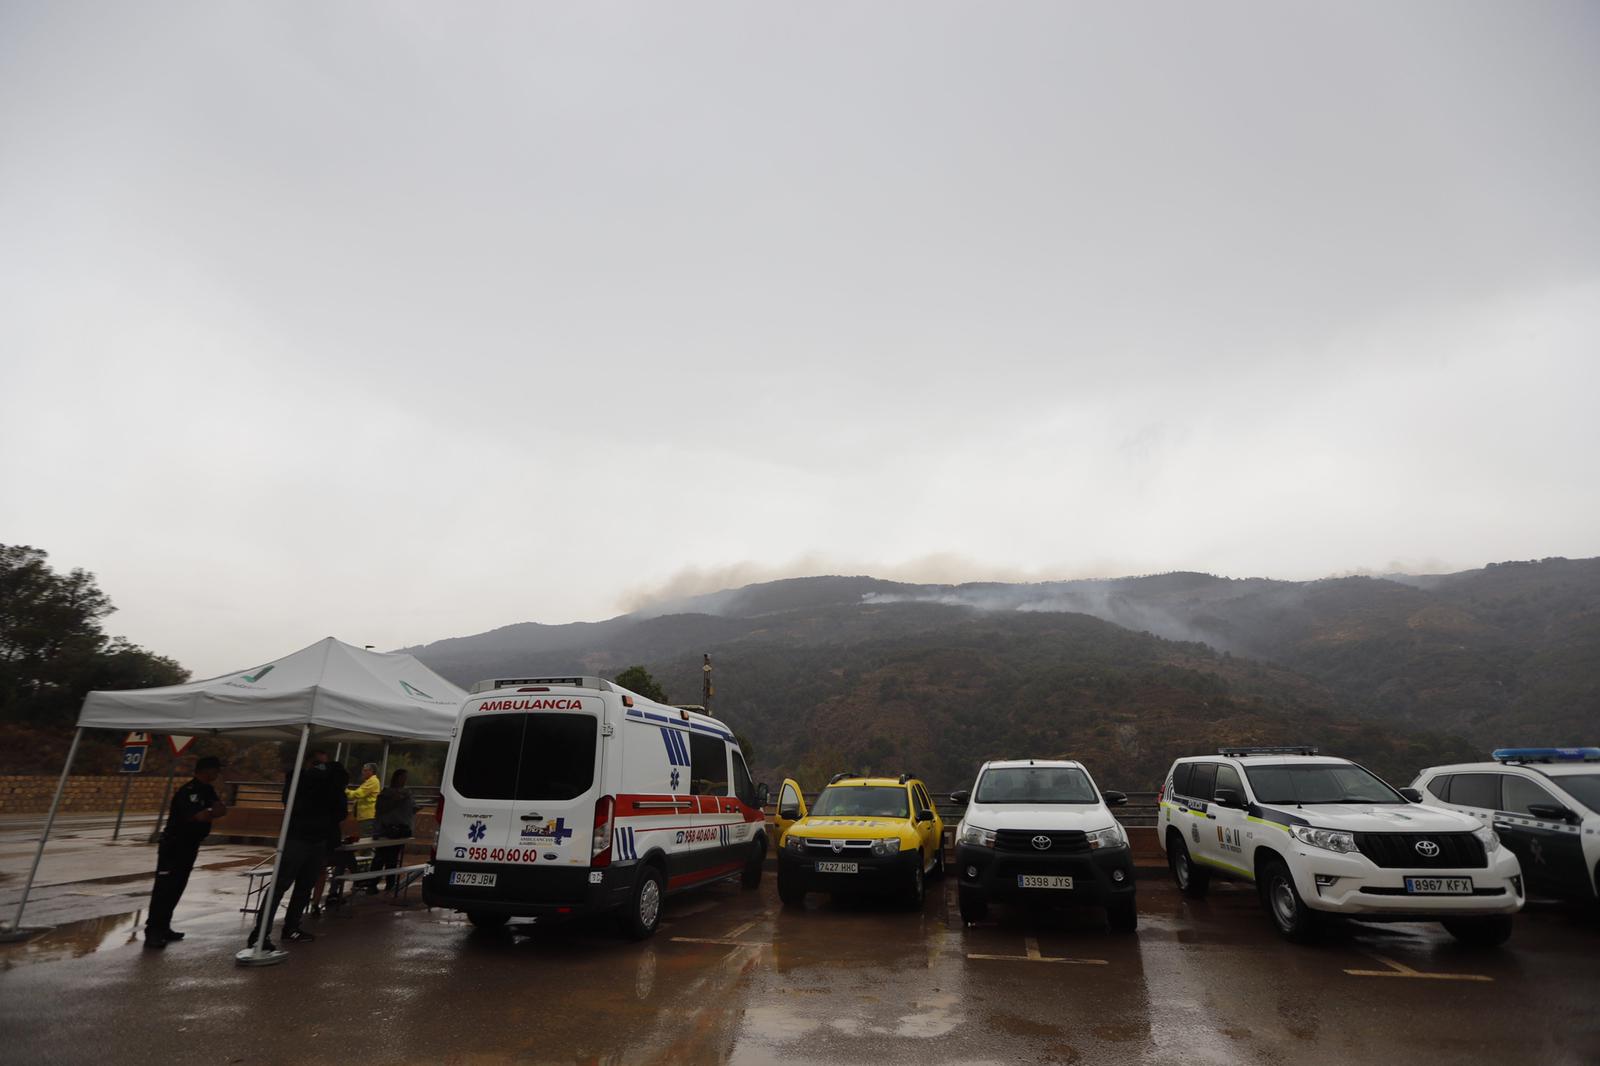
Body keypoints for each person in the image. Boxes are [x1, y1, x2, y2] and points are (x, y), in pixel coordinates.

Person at [250, 750, 333, 949]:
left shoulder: (325, 783)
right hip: (297, 839)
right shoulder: (296, 778)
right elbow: (291, 803)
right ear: (306, 762)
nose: (320, 768)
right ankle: (260, 934)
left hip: (317, 839)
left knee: (305, 887)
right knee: (280, 885)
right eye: (316, 763)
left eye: (324, 765)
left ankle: (292, 927)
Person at [144, 755, 228, 948]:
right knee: (164, 889)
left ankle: (164, 926)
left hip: (190, 845)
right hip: (174, 845)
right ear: (206, 770)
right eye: (216, 770)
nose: (218, 773)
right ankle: (153, 930)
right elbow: (199, 816)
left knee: (177, 887)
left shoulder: (208, 790)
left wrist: (211, 812)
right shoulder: (188, 791)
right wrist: (210, 812)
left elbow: (221, 810)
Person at [372, 768, 415, 892]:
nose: (404, 780)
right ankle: (373, 883)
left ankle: (390, 884)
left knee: (393, 859)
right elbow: (380, 808)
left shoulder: (407, 794)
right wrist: (395, 801)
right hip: (385, 830)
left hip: (400, 831)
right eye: (402, 778)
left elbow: (410, 808)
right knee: (380, 858)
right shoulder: (386, 793)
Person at [346, 762, 381, 839]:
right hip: (365, 816)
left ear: (371, 771)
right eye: (363, 770)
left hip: (368, 816)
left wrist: (345, 790)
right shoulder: (369, 781)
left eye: (365, 770)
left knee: (366, 839)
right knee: (365, 838)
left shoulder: (373, 781)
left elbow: (358, 794)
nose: (363, 772)